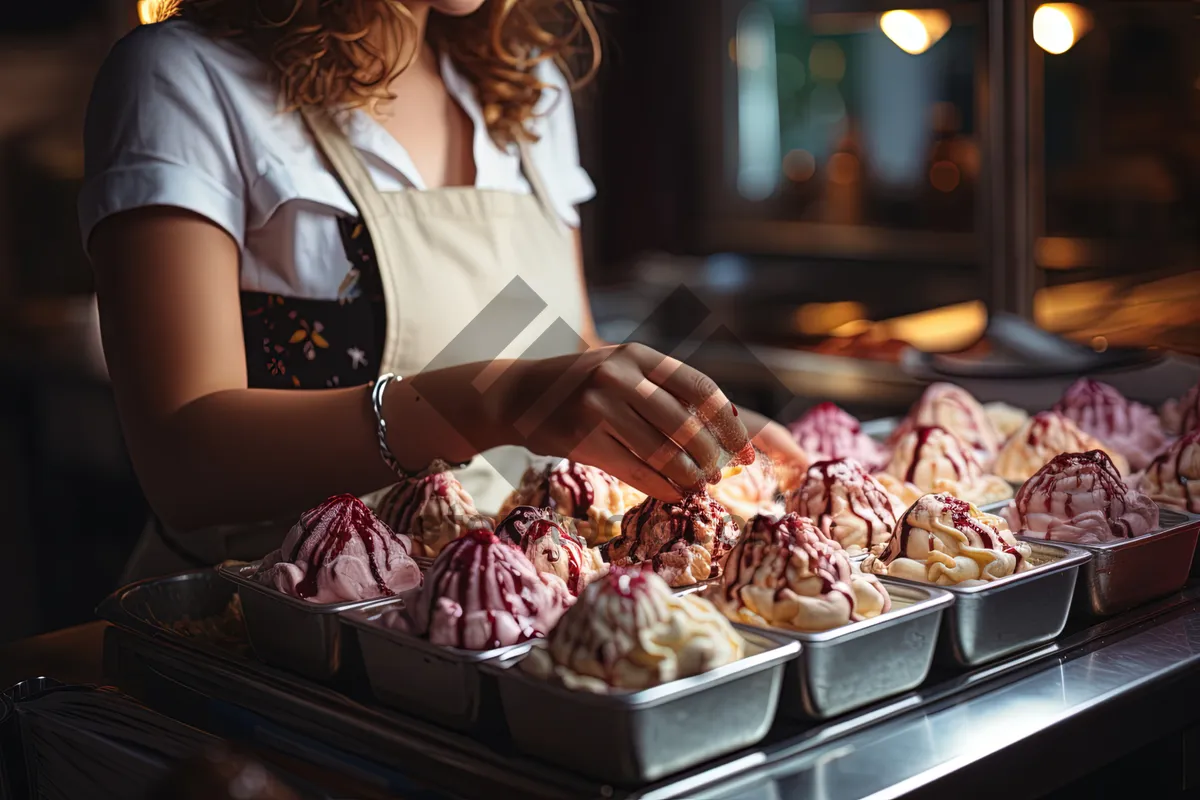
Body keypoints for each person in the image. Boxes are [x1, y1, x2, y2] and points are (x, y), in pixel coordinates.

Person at [80, 0, 804, 581]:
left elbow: (562, 350)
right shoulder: (183, 78)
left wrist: (663, 421)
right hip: (267, 633)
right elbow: (183, 465)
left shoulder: (530, 86)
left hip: (507, 604)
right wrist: (500, 400)